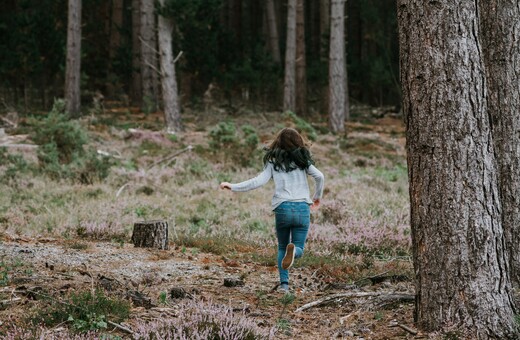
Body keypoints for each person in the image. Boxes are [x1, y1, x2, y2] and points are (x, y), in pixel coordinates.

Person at [220, 127, 324, 292]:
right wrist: (317, 197)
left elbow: (257, 181)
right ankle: (294, 251)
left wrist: (232, 186)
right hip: (302, 207)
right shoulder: (303, 160)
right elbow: (320, 176)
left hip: (282, 208)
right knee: (299, 248)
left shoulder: (273, 161)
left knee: (282, 247)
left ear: (278, 142)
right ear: (299, 141)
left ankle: (284, 285)